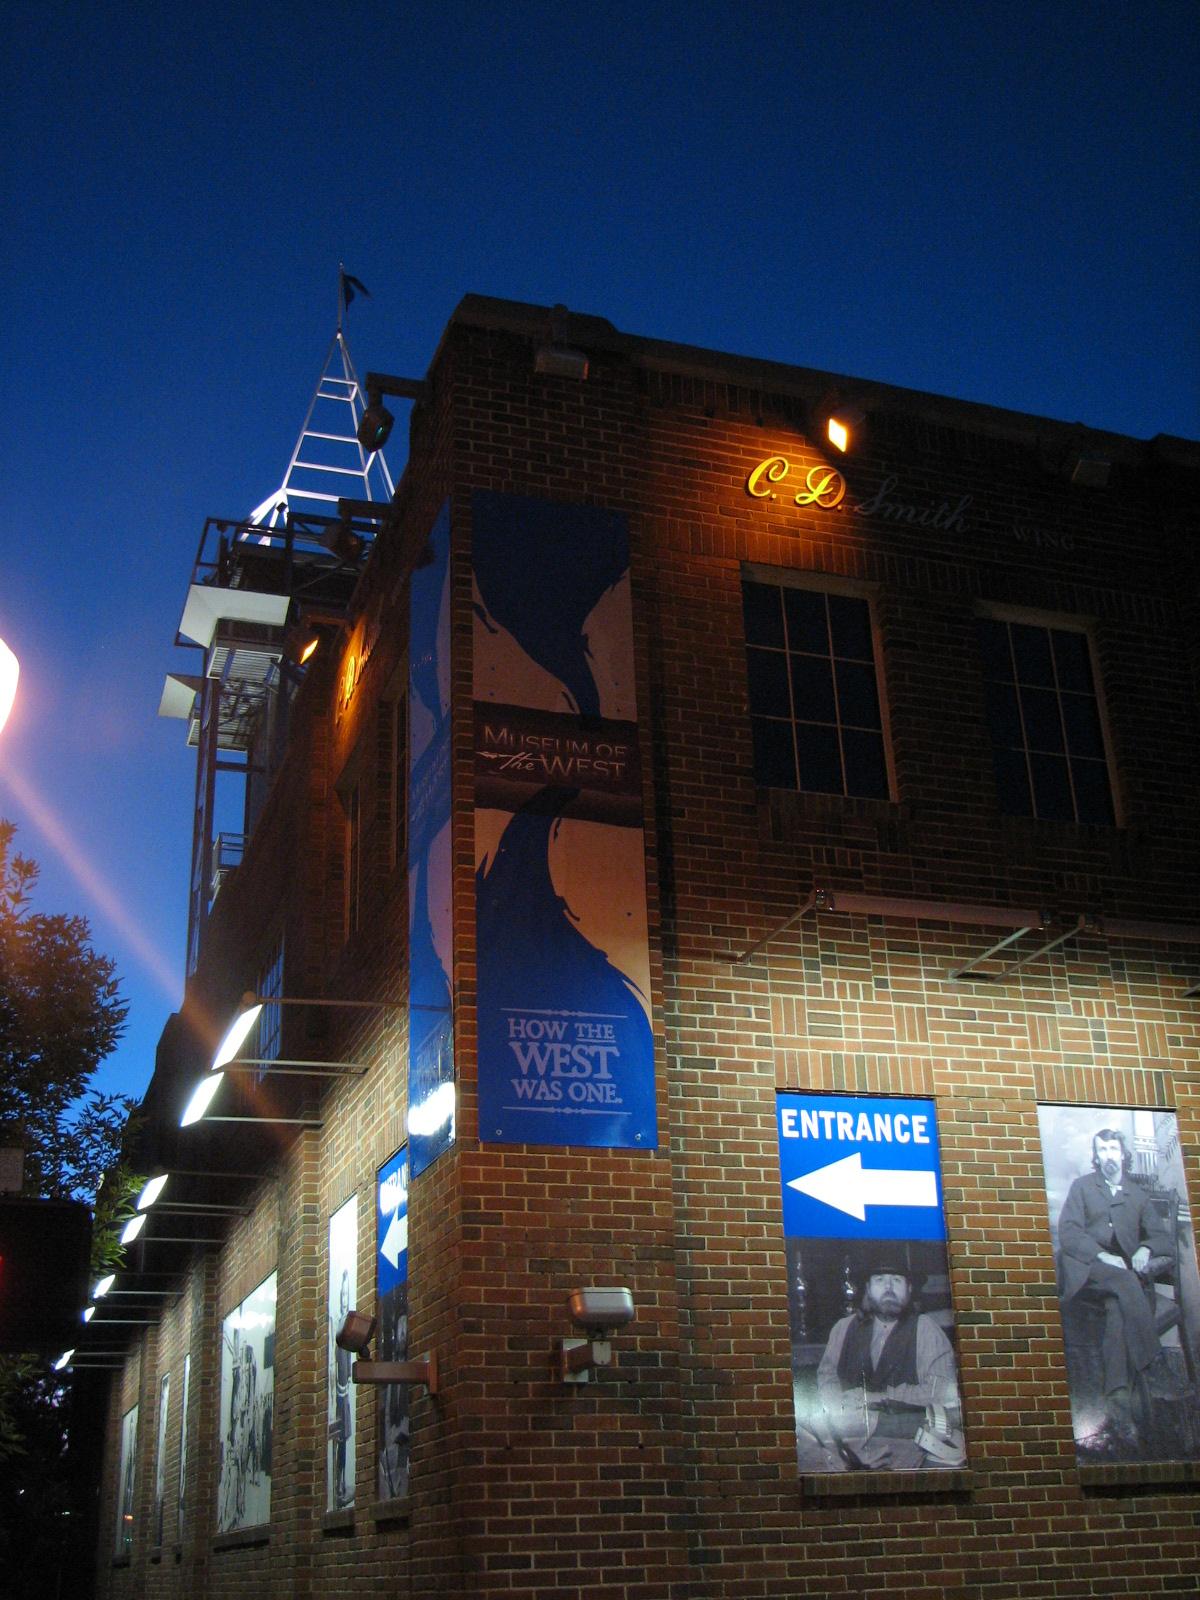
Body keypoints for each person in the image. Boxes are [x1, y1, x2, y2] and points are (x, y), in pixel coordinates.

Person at [1057, 1127, 1172, 1436]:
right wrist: (1101, 1255)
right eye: (1102, 1150)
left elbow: (1163, 1238)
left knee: (1118, 1311)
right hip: (1088, 1269)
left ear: (1123, 1154)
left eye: (1113, 1149)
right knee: (1124, 1279)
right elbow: (1068, 1233)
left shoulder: (1138, 1195)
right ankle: (1153, 1361)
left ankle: (1117, 1399)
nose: (1108, 1155)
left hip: (1120, 1284)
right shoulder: (1081, 1188)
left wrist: (1146, 1248)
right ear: (1097, 1157)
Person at [812, 1251, 964, 1469]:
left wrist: (875, 1398)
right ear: (868, 1288)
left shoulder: (926, 1329)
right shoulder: (843, 1328)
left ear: (910, 1289)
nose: (889, 1288)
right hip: (848, 1438)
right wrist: (841, 1408)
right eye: (880, 1280)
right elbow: (827, 1378)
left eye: (897, 1280)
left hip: (904, 1441)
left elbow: (940, 1392)